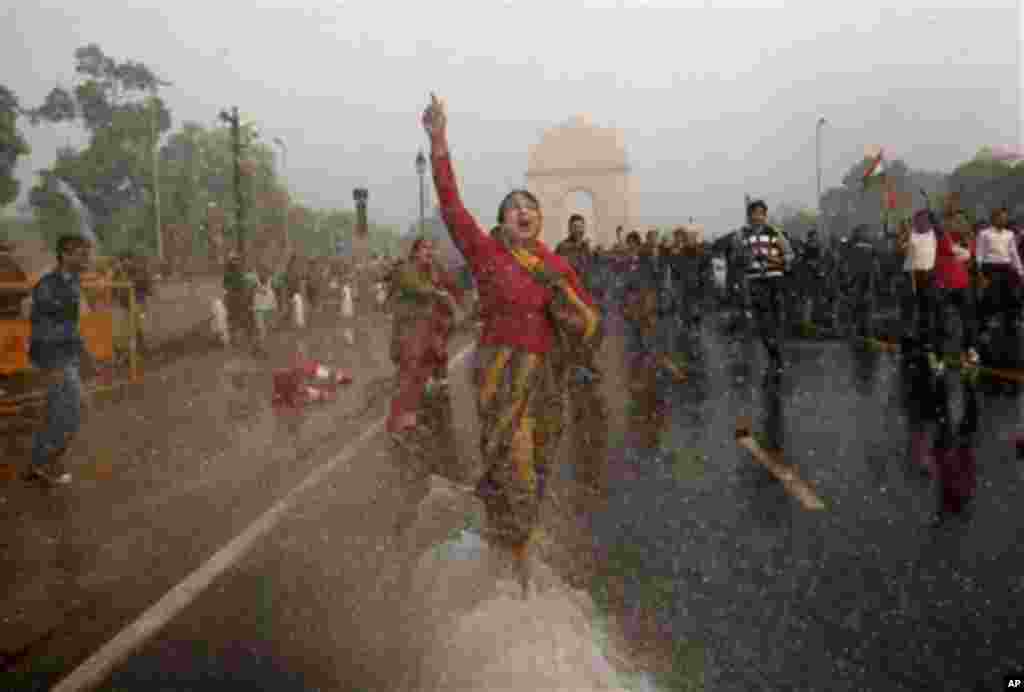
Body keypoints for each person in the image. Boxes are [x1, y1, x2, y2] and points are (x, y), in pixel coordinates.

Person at [422, 93, 600, 584]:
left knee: (534, 470)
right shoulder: (485, 253)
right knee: (515, 464)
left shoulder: (554, 266)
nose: (524, 212)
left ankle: (505, 534)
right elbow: (452, 206)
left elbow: (586, 320)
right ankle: (519, 566)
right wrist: (438, 142)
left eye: (531, 207)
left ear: (540, 221)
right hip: (501, 376)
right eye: (514, 207)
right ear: (502, 220)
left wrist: (578, 324)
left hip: (543, 383)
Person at [27, 234, 93, 485]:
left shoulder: (72, 282)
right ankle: (44, 462)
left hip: (66, 356)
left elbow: (70, 326)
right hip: (55, 357)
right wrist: (51, 363)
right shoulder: (49, 285)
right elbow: (41, 328)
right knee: (69, 411)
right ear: (65, 255)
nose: (87, 258)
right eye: (82, 253)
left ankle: (42, 461)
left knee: (66, 411)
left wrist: (84, 354)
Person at [386, 237, 462, 442]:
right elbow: (417, 288)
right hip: (407, 331)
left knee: (418, 379)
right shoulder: (406, 269)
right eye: (425, 248)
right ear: (415, 251)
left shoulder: (431, 270)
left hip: (423, 330)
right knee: (406, 379)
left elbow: (446, 285)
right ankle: (395, 427)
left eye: (432, 248)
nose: (430, 252)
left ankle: (409, 423)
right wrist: (439, 293)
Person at [730, 199, 794, 373]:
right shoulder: (741, 235)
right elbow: (735, 259)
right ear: (749, 216)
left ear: (765, 215)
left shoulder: (775, 232)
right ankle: (772, 349)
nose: (758, 217)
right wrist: (746, 259)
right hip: (755, 280)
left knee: (776, 318)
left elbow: (789, 256)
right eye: (754, 213)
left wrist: (775, 260)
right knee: (763, 319)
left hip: (775, 278)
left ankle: (776, 349)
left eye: (761, 213)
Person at [974, 207, 1023, 366]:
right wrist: (980, 273)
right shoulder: (984, 234)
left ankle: (1010, 328)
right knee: (990, 299)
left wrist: (1021, 271)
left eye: (1005, 218)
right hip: (990, 268)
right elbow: (979, 254)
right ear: (993, 218)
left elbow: (1013, 253)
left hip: (1006, 267)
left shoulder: (1009, 234)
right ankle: (984, 329)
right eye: (1000, 217)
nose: (1003, 220)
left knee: (1010, 298)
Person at [934, 211, 978, 365]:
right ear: (950, 223)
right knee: (941, 321)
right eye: (956, 220)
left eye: (963, 221)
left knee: (968, 319)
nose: (960, 223)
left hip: (962, 285)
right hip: (943, 286)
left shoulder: (969, 241)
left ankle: (970, 348)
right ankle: (939, 356)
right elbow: (952, 250)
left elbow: (966, 258)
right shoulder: (942, 237)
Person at [898, 209, 940, 364]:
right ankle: (907, 343)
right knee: (909, 310)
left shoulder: (935, 235)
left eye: (925, 219)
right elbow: (901, 249)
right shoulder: (911, 234)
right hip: (911, 275)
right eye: (918, 219)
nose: (921, 222)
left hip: (929, 276)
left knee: (926, 310)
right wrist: (904, 235)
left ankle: (925, 342)